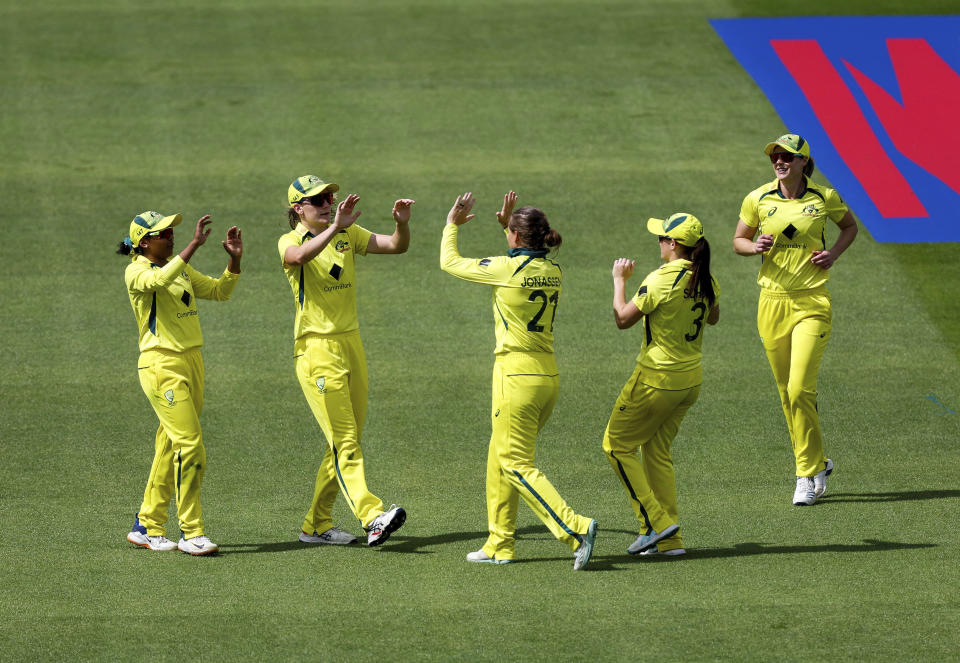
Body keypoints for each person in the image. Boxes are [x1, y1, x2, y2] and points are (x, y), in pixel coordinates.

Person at [441, 191, 597, 570]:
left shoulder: (506, 268)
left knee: (514, 461)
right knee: (499, 458)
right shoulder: (553, 271)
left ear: (514, 236)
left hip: (517, 377)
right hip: (545, 376)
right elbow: (520, 263)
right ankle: (500, 543)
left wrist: (451, 225)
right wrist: (506, 227)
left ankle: (574, 528)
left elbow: (450, 262)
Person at [279, 175, 414, 547]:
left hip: (351, 344)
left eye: (329, 196)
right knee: (346, 440)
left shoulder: (346, 234)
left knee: (341, 442)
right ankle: (372, 516)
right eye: (318, 199)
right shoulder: (291, 241)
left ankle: (315, 525)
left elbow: (394, 246)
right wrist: (337, 225)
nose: (327, 202)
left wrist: (401, 224)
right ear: (298, 209)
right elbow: (300, 258)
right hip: (316, 350)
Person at [733, 133, 858, 506]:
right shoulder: (758, 198)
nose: (779, 161)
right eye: (775, 155)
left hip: (812, 302)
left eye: (788, 156)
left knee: (800, 388)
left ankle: (805, 473)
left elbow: (849, 227)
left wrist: (833, 254)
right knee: (787, 394)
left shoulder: (824, 198)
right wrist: (752, 246)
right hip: (771, 303)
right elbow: (738, 240)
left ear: (804, 162)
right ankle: (818, 460)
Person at [118, 211, 243, 556]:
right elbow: (157, 283)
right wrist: (192, 246)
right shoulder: (136, 271)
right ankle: (192, 532)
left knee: (168, 446)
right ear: (144, 242)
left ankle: (147, 525)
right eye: (164, 233)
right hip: (161, 365)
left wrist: (234, 262)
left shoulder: (178, 266)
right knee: (190, 447)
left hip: (192, 362)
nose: (171, 236)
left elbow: (219, 292)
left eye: (172, 231)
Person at [603, 213, 719, 557]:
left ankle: (655, 521)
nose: (658, 243)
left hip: (655, 380)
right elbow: (712, 316)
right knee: (656, 452)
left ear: (673, 245)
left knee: (616, 446)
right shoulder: (705, 277)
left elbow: (623, 319)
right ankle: (669, 542)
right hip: (689, 381)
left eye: (661, 238)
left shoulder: (659, 280)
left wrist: (619, 280)